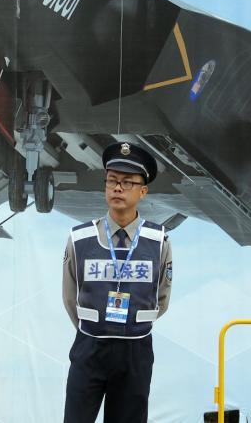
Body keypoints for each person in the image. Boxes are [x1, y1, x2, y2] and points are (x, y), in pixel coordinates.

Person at [62, 142, 173, 423]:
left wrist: (129, 326)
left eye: (126, 182)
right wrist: (97, 328)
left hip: (135, 350)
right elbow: (69, 295)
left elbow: (162, 299)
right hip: (90, 347)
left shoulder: (159, 241)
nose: (117, 188)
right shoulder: (79, 239)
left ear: (143, 191)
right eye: (112, 181)